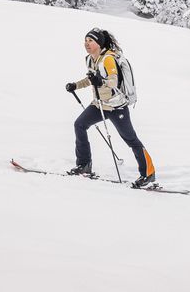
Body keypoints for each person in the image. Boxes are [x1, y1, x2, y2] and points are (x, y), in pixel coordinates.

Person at [65, 28, 157, 188]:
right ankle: (84, 165)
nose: (86, 44)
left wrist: (101, 81)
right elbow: (91, 79)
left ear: (99, 43)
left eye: (90, 41)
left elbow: (113, 81)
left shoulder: (108, 59)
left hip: (116, 107)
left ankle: (148, 173)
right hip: (99, 105)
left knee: (130, 139)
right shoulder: (90, 59)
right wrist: (75, 85)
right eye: (85, 40)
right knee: (79, 124)